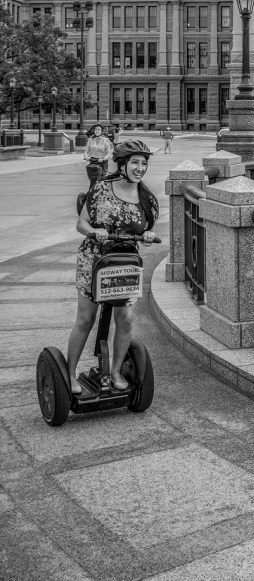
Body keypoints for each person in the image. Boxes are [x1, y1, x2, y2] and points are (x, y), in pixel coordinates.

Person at [67, 139, 159, 395]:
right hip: (95, 259)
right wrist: (94, 231)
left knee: (126, 319)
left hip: (125, 262)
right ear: (122, 165)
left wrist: (150, 235)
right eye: (135, 163)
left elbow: (147, 228)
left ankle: (116, 370)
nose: (140, 168)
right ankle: (70, 373)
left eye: (143, 163)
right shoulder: (101, 189)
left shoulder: (146, 198)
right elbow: (81, 224)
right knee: (86, 318)